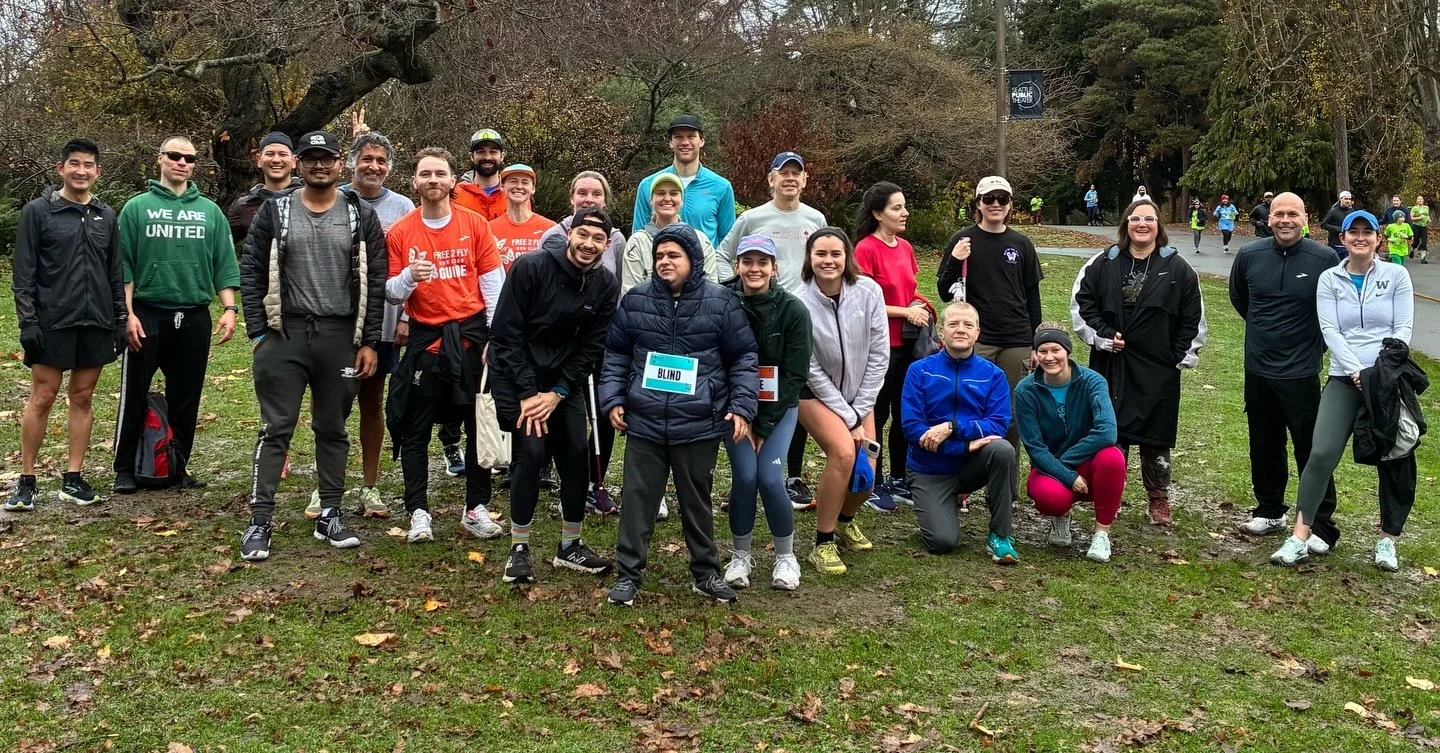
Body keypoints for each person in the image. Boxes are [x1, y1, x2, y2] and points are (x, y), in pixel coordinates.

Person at [237, 130, 386, 561]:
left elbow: (374, 280)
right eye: (310, 159)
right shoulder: (275, 211)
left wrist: (369, 340)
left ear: (341, 163)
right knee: (276, 428)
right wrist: (259, 332)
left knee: (332, 428)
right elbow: (251, 271)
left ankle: (331, 514)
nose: (319, 166)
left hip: (340, 335)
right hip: (285, 334)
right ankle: (259, 521)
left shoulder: (359, 214)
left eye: (326, 158)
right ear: (299, 165)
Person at [602, 225, 758, 607]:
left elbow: (743, 358)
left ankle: (705, 573)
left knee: (696, 502)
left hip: (699, 422)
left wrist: (741, 406)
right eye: (659, 256)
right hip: (645, 421)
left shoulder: (721, 302)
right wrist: (612, 399)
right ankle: (628, 576)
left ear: (693, 260)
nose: (664, 262)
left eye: (673, 255)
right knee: (638, 500)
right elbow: (616, 354)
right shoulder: (636, 300)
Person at [1270, 210, 1416, 571]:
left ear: (1379, 239)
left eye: (1368, 232)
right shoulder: (1329, 279)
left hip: (1386, 380)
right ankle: (1300, 537)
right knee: (1320, 453)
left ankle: (1387, 541)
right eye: (1355, 232)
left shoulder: (1396, 275)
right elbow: (1330, 330)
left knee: (1395, 458)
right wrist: (1355, 372)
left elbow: (1403, 329)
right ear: (1343, 238)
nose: (1361, 238)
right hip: (1344, 378)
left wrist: (1377, 373)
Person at [489, 208, 619, 584]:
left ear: (606, 244)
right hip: (519, 378)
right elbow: (505, 335)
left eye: (598, 239)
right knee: (530, 453)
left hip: (564, 383)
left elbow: (592, 347)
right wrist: (530, 393)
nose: (588, 245)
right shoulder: (530, 268)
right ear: (570, 233)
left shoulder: (605, 285)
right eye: (583, 235)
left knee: (577, 451)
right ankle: (519, 548)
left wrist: (559, 391)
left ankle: (570, 545)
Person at [383, 148, 505, 544]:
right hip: (426, 341)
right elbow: (390, 293)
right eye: (425, 174)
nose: (433, 179)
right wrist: (409, 277)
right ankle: (418, 511)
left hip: (471, 339)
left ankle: (476, 508)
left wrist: (494, 339)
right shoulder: (401, 231)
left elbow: (493, 284)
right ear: (415, 182)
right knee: (415, 429)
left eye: (440, 173)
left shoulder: (475, 223)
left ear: (454, 181)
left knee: (477, 425)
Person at [113, 136, 240, 494]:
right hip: (148, 314)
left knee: (186, 397)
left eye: (189, 158)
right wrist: (128, 314)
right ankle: (124, 468)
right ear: (161, 159)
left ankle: (176, 465)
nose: (182, 162)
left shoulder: (210, 211)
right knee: (135, 393)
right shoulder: (137, 208)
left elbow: (224, 264)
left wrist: (229, 309)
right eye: (175, 156)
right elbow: (124, 266)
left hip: (194, 316)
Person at [6, 139, 125, 511]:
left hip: (96, 320)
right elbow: (23, 272)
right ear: (61, 169)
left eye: (89, 165)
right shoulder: (39, 212)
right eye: (74, 164)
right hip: (52, 320)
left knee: (83, 396)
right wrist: (28, 322)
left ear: (97, 172)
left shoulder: (107, 216)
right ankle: (26, 480)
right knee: (42, 397)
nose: (81, 171)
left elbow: (114, 270)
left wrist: (120, 318)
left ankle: (73, 478)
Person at [1071, 200, 1206, 527]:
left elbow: (1193, 317)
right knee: (1110, 431)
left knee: (1155, 434)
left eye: (1149, 219)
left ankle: (1158, 499)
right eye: (1135, 218)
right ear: (1125, 224)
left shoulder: (1178, 268)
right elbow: (1081, 305)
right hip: (1111, 362)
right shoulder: (1103, 263)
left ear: (1158, 225)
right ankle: (1109, 495)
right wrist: (1103, 336)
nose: (1142, 224)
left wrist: (1177, 356)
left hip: (1157, 367)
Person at [715, 151, 828, 510]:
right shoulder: (752, 218)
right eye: (783, 173)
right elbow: (723, 256)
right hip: (756, 316)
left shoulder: (815, 218)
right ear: (771, 179)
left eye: (797, 173)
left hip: (800, 318)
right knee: (753, 385)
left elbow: (822, 259)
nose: (790, 179)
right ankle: (744, 478)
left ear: (805, 180)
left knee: (794, 390)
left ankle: (791, 475)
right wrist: (727, 293)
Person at [1229, 193, 1340, 550]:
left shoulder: (1324, 258)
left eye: (1293, 213)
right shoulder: (1249, 255)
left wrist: (1310, 346)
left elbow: (1333, 311)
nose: (1285, 220)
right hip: (1259, 368)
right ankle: (1270, 508)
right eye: (1279, 213)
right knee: (1264, 442)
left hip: (1301, 371)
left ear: (1306, 218)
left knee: (1312, 449)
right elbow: (1241, 300)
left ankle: (1320, 524)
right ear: (1269, 218)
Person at [936, 176, 1043, 503]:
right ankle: (962, 484)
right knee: (967, 408)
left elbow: (1032, 296)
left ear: (1010, 204)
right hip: (974, 339)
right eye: (988, 198)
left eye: (1002, 198)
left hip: (1016, 338)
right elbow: (944, 292)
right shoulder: (963, 239)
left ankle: (1004, 490)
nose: (995, 204)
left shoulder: (1021, 243)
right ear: (977, 204)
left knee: (1009, 415)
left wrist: (1036, 342)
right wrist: (955, 258)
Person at [328, 126, 416, 519]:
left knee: (371, 402)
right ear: (351, 163)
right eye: (367, 159)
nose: (374, 166)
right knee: (332, 404)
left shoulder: (402, 208)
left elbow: (416, 264)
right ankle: (325, 486)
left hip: (384, 321)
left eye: (381, 161)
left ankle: (369, 486)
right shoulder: (333, 199)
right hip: (337, 321)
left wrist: (407, 318)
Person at [720, 235, 811, 591]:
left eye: (762, 262)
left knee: (771, 479)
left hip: (779, 406)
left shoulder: (793, 310)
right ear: (737, 266)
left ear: (775, 268)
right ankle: (740, 555)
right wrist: (742, 415)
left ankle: (786, 557)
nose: (754, 269)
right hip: (735, 408)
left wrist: (766, 424)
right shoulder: (724, 302)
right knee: (745, 477)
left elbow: (795, 374)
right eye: (747, 262)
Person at [796, 228, 889, 575]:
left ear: (847, 257)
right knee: (845, 453)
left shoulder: (869, 292)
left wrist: (860, 407)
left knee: (870, 461)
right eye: (820, 254)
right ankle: (823, 542)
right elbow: (810, 368)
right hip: (814, 394)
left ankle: (846, 519)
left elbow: (880, 354)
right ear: (809, 258)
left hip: (860, 395)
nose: (828, 261)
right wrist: (848, 417)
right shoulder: (799, 300)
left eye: (836, 254)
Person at [900, 302, 1020, 564]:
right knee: (942, 542)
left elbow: (998, 424)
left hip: (970, 468)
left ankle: (1000, 535)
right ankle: (941, 506)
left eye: (968, 325)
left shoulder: (993, 375)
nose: (961, 330)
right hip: (929, 469)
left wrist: (952, 427)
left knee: (1002, 450)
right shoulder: (919, 371)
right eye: (953, 324)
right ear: (941, 332)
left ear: (978, 332)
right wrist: (963, 446)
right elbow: (912, 428)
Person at [538, 172, 627, 510]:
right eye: (581, 193)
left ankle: (594, 481)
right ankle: (551, 467)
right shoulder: (553, 234)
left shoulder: (615, 239)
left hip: (601, 335)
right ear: (571, 198)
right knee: (559, 406)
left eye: (595, 193)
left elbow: (616, 285)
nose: (589, 198)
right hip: (559, 340)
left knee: (603, 409)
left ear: (605, 199)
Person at [1014, 323, 1122, 563]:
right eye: (1042, 351)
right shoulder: (1025, 391)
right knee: (1051, 498)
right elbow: (1034, 447)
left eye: (1056, 350)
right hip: (1047, 467)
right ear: (1035, 354)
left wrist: (1066, 464)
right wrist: (1065, 475)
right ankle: (1061, 518)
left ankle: (1101, 534)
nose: (1049, 357)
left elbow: (1107, 432)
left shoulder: (1093, 382)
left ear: (1068, 352)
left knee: (1113, 457)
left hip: (1084, 462)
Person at [853, 182, 926, 511]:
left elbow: (909, 289)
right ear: (877, 214)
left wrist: (921, 306)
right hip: (880, 345)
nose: (905, 212)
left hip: (911, 344)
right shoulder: (865, 249)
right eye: (897, 208)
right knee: (877, 414)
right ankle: (875, 480)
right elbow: (863, 300)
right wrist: (904, 311)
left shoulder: (906, 247)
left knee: (904, 412)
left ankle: (899, 477)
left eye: (905, 206)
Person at [631, 115, 736, 247]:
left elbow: (728, 243)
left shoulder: (721, 187)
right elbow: (637, 238)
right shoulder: (648, 185)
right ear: (670, 142)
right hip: (660, 265)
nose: (685, 142)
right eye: (678, 137)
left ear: (701, 141)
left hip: (705, 266)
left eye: (691, 136)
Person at [620, 173, 718, 294]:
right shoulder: (637, 242)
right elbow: (630, 294)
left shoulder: (701, 241)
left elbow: (712, 292)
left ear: (682, 201)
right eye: (660, 193)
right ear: (651, 201)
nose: (667, 198)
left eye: (673, 193)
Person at [226, 132, 300, 243]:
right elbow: (222, 248)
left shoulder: (308, 198)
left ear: (294, 161)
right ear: (259, 160)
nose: (276, 160)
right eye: (270, 154)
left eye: (283, 154)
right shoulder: (245, 206)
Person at [488, 164, 556, 273]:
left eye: (525, 182)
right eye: (513, 181)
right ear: (502, 186)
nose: (519, 186)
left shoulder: (550, 228)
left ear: (533, 189)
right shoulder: (489, 229)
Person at [453, 128, 506, 220]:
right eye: (481, 152)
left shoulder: (514, 192)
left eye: (493, 152)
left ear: (502, 156)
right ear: (471, 156)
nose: (487, 157)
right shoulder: (455, 194)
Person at [1319, 190, 1357, 260]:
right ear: (1340, 199)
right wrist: (1339, 229)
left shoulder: (1351, 211)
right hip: (1336, 245)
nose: (1348, 201)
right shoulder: (1333, 211)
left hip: (1348, 244)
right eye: (1345, 199)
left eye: (1349, 199)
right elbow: (1323, 224)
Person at [1411, 195, 1429, 263]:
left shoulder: (1426, 207)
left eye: (1421, 199)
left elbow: (1427, 215)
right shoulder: (1414, 208)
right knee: (1416, 241)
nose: (1420, 200)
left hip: (1424, 226)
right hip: (1416, 226)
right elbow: (1412, 218)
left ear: (1423, 200)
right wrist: (1419, 218)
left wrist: (1428, 219)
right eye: (1418, 199)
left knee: (1424, 242)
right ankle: (1412, 250)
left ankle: (1423, 259)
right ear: (1416, 201)